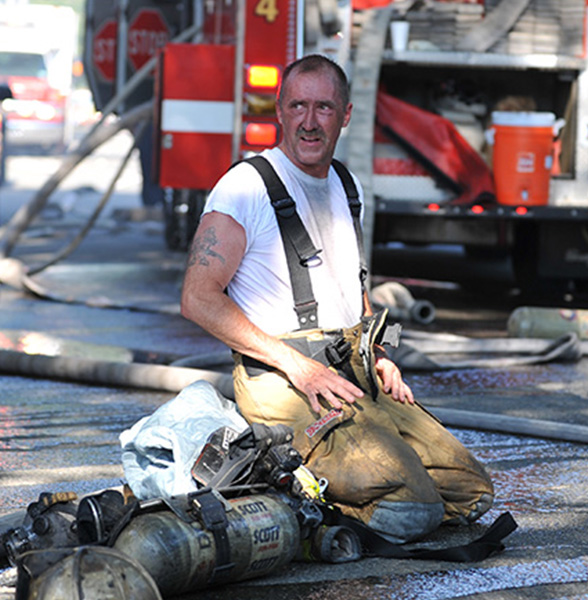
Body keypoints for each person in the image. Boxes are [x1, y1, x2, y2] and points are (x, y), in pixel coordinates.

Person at [181, 54, 493, 543]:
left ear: (345, 115)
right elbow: (197, 299)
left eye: (323, 108)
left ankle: (367, 489)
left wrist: (383, 355)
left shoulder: (348, 186)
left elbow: (357, 290)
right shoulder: (246, 187)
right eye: (297, 106)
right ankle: (290, 493)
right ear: (279, 112)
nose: (309, 122)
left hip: (353, 375)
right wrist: (299, 367)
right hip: (286, 383)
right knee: (411, 510)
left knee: (472, 491)